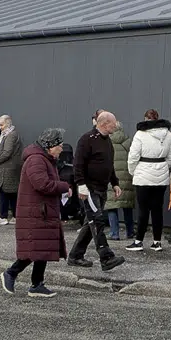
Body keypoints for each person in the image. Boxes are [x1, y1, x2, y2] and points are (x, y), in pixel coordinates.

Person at [1, 128, 72, 299]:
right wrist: (64, 186)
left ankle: (37, 284)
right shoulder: (36, 160)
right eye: (59, 145)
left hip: (43, 211)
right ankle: (11, 273)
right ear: (49, 146)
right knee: (35, 248)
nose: (61, 149)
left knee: (43, 248)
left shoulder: (46, 159)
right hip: (36, 212)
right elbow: (42, 184)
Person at [67, 111, 127, 272]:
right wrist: (81, 185)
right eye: (113, 123)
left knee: (90, 223)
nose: (115, 125)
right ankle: (106, 257)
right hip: (89, 188)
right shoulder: (87, 140)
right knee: (97, 221)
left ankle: (75, 255)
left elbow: (109, 164)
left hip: (102, 188)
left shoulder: (107, 141)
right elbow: (78, 163)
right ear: (104, 123)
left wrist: (115, 183)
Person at [127, 109, 171, 251]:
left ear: (145, 119)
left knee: (143, 209)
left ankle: (138, 241)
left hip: (143, 173)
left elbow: (133, 156)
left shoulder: (140, 134)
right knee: (157, 209)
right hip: (161, 174)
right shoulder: (168, 134)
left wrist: (133, 171)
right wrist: (163, 167)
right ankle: (157, 242)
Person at [0, 116, 23, 225]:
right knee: (12, 193)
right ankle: (15, 216)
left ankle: (3, 216)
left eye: (1, 125)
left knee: (4, 192)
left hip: (6, 168)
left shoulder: (10, 135)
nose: (0, 128)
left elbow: (7, 152)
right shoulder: (11, 134)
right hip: (11, 168)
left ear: (7, 124)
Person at [106, 121, 134, 239]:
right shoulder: (128, 140)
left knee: (112, 205)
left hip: (112, 178)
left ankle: (114, 233)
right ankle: (130, 232)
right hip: (127, 177)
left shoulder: (107, 141)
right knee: (127, 206)